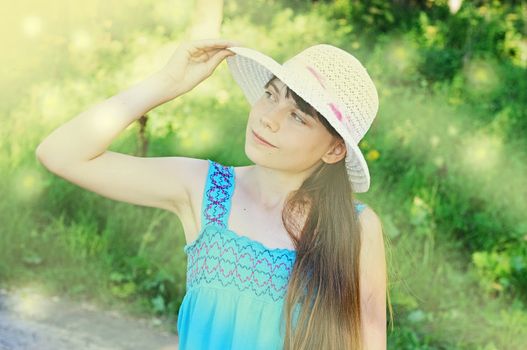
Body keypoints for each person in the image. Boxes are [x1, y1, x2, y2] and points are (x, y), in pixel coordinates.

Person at [36, 38, 390, 349]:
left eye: (298, 117)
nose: (269, 118)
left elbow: (368, 340)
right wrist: (167, 82)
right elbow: (61, 154)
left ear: (333, 150)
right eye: (270, 95)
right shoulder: (205, 188)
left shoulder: (356, 228)